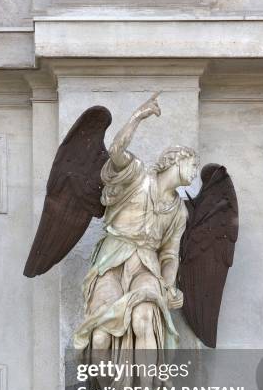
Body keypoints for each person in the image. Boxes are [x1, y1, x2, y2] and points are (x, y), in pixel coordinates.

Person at [74, 93, 198, 354]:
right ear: (175, 161)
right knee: (99, 338)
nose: (195, 171)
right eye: (192, 164)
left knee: (144, 320)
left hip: (147, 268)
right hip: (112, 260)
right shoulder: (137, 176)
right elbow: (116, 151)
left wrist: (168, 285)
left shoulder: (178, 211)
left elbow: (170, 254)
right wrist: (137, 117)